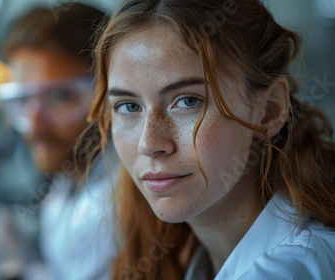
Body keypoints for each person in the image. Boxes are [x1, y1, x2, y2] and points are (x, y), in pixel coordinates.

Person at [81, 0, 335, 279]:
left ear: (270, 110)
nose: (148, 143)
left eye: (188, 101)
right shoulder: (188, 255)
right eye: (128, 106)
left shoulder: (289, 269)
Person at [0, 3, 117, 280]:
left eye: (61, 98)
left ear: (110, 96)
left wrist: (15, 270)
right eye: (24, 101)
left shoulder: (123, 200)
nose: (35, 126)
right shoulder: (65, 186)